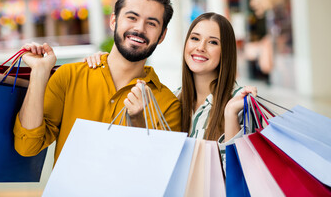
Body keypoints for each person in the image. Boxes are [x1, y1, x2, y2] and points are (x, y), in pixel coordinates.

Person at [13, 0, 181, 164]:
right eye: (132, 18)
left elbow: (158, 172)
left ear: (162, 35)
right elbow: (27, 147)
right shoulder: (69, 77)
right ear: (114, 21)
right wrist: (38, 73)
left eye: (151, 23)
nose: (139, 29)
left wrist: (140, 123)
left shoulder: (168, 105)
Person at [85, 12, 257, 160]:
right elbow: (155, 159)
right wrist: (106, 63)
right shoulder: (173, 100)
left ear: (225, 51)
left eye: (212, 42)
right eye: (195, 38)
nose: (200, 47)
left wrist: (230, 115)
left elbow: (241, 173)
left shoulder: (241, 104)